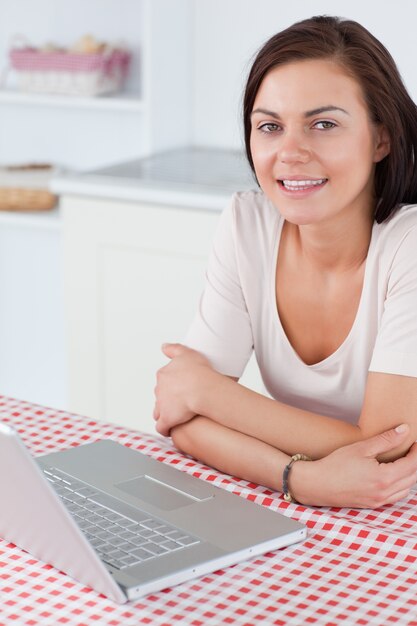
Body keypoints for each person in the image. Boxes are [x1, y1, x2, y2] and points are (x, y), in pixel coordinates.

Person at [153, 15, 417, 508]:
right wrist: (301, 480)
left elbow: (389, 451)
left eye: (323, 124)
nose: (290, 153)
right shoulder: (246, 224)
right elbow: (182, 422)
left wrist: (210, 394)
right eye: (270, 127)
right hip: (330, 504)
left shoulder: (410, 247)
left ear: (381, 139)